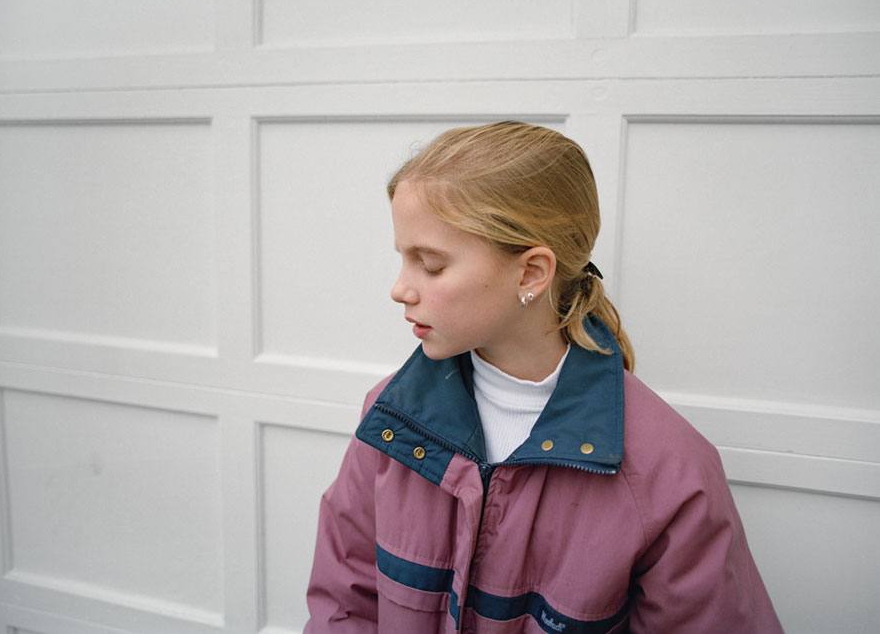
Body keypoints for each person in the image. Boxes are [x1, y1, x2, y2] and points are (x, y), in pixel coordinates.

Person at [305, 121, 784, 633]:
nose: (400, 289)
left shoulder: (669, 475)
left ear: (532, 272)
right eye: (403, 259)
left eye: (431, 265)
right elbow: (344, 603)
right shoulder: (391, 423)